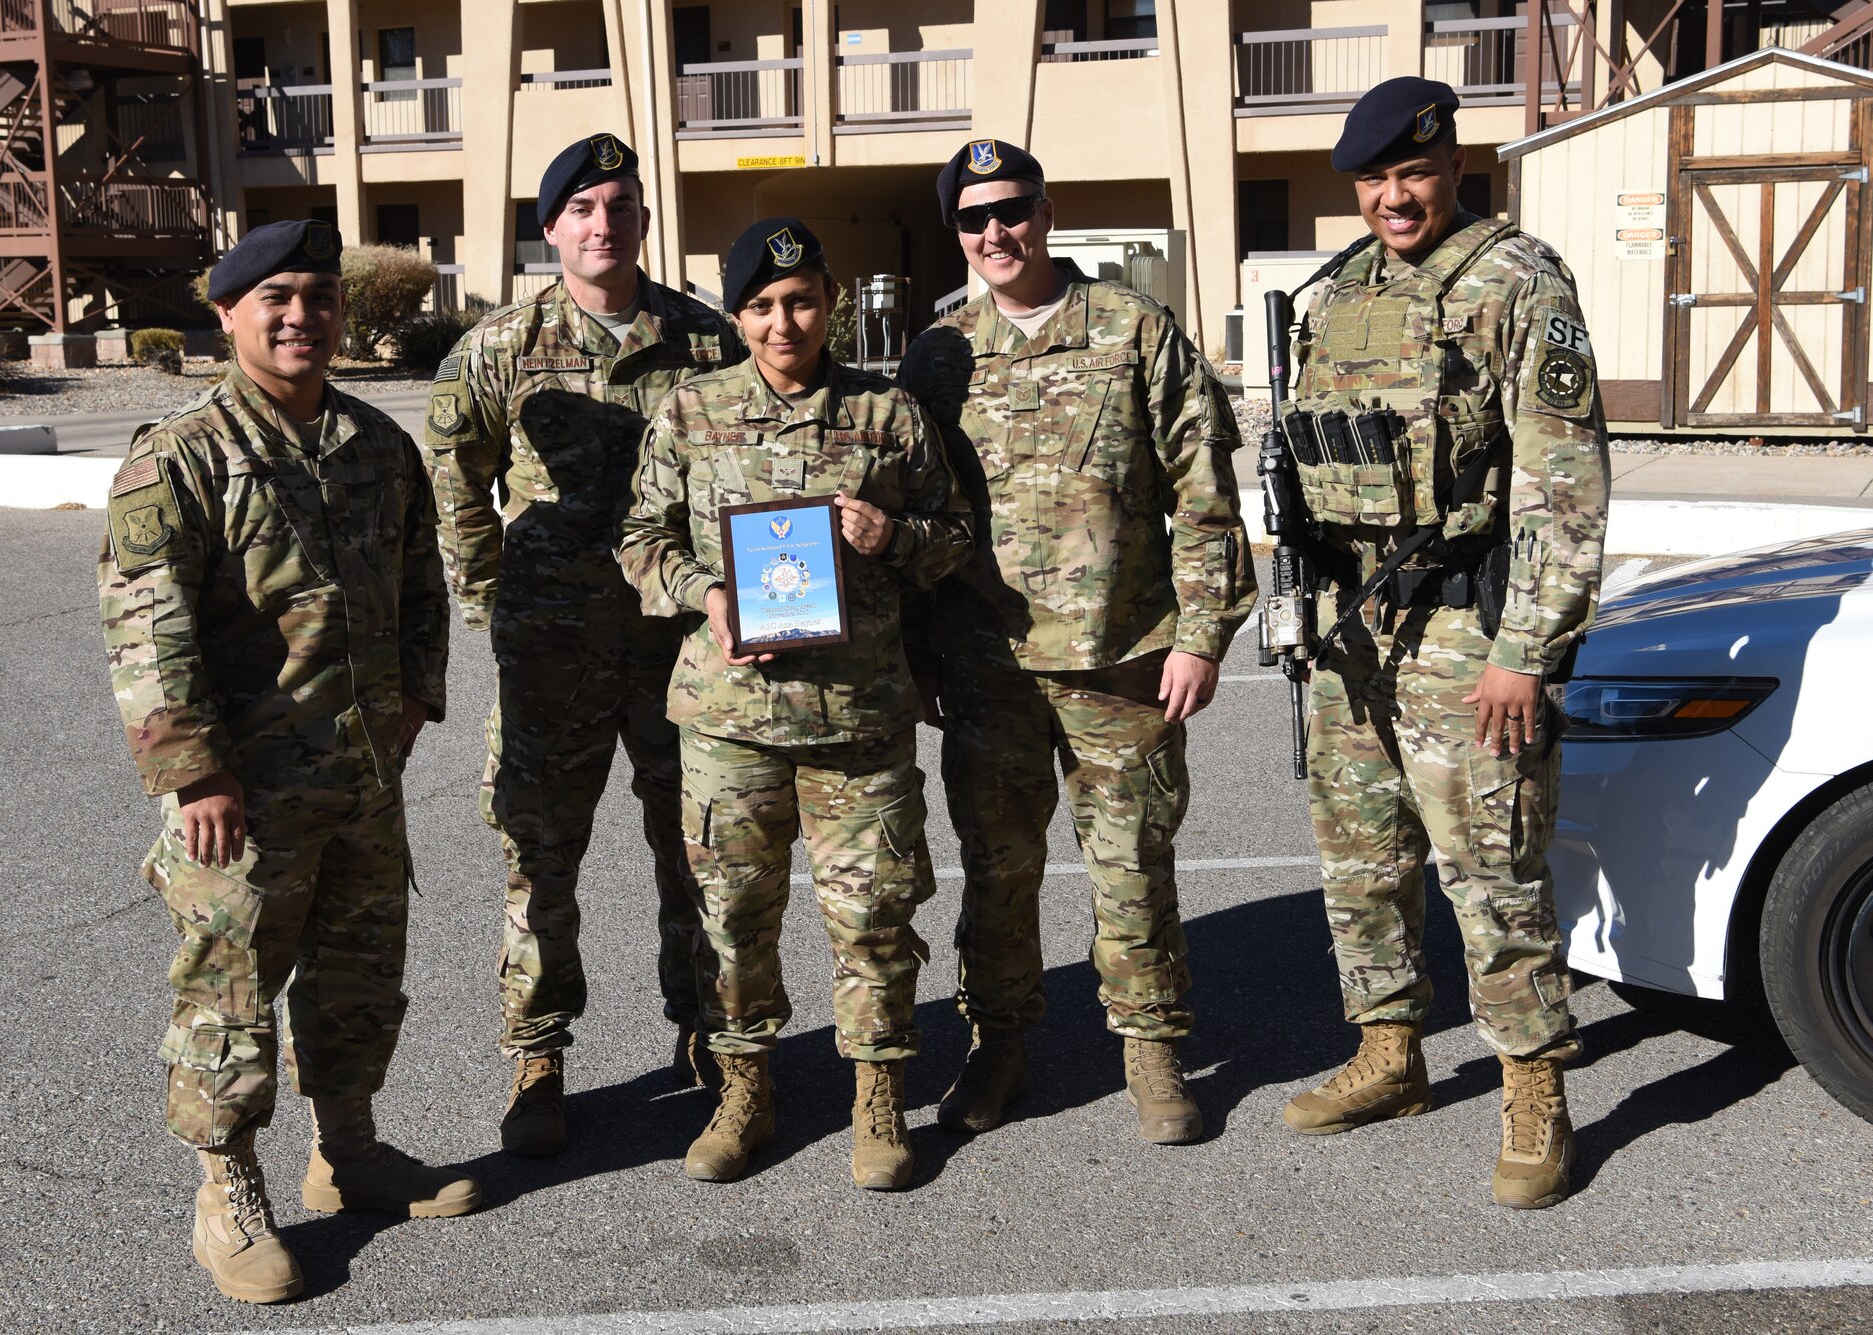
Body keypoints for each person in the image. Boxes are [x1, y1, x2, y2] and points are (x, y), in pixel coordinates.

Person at [98, 219, 477, 1305]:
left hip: (361, 776)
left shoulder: (374, 445)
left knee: (360, 979)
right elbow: (144, 626)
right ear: (227, 315)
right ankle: (225, 1192)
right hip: (243, 795)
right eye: (275, 299)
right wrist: (193, 773)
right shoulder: (179, 456)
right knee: (228, 992)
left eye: (317, 296)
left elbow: (419, 585)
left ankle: (346, 1153)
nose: (301, 315)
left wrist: (414, 697)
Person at [1277, 77, 1608, 1210]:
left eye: (1408, 173)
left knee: (1490, 872)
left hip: (1468, 632)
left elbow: (1563, 486)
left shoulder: (1519, 281)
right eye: (1371, 180)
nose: (1391, 197)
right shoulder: (1334, 293)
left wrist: (1527, 651)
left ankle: (1533, 1090)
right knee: (1359, 861)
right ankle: (1390, 1053)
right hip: (1349, 634)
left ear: (1450, 166)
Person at [897, 140, 1257, 1145]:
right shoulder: (937, 351)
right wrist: (918, 652)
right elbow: (917, 505)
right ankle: (999, 1048)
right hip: (986, 666)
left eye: (1010, 209)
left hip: (1124, 659)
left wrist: (1200, 635)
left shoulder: (1134, 329)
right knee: (996, 871)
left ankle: (1149, 1050)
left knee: (1131, 865)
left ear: (1046, 210)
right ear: (956, 234)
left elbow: (1203, 492)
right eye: (972, 220)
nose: (994, 233)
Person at [618, 218, 972, 1190]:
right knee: (732, 918)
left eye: (802, 300)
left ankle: (876, 1096)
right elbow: (640, 543)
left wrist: (889, 535)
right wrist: (709, 596)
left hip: (858, 722)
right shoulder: (691, 415)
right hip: (731, 722)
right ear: (737, 317)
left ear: (831, 304)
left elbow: (953, 541)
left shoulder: (887, 416)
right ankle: (745, 1090)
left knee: (874, 915)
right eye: (764, 306)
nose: (785, 322)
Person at [420, 133, 746, 1158]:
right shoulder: (500, 347)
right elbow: (453, 477)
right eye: (582, 209)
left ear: (642, 219)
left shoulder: (703, 338)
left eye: (620, 205)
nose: (603, 224)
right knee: (539, 859)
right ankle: (536, 1053)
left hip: (674, 648)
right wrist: (490, 600)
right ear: (551, 227)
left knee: (695, 850)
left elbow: (750, 464)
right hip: (549, 654)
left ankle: (704, 1029)